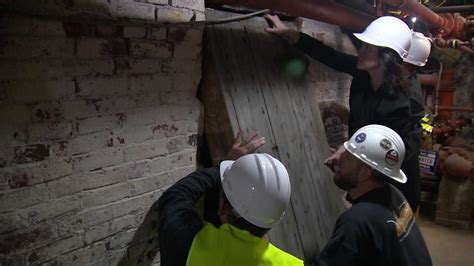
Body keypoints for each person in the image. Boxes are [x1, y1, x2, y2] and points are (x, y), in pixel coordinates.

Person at [265, 15, 422, 210]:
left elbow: (385, 151)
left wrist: (348, 150)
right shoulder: (363, 74)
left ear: (386, 56)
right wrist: (290, 34)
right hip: (367, 170)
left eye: (367, 48)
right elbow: (330, 56)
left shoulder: (395, 104)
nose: (361, 51)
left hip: (391, 181)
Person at [157, 131, 304, 266]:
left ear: (223, 208)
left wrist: (223, 166)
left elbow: (176, 196)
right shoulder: (291, 264)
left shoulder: (190, 242)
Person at [316, 124, 432, 265]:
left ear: (366, 172)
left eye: (348, 157)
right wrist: (344, 173)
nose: (339, 159)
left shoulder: (356, 221)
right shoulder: (394, 195)